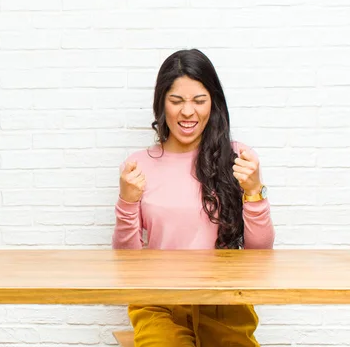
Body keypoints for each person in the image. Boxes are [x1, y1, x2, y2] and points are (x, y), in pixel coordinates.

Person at [112, 49, 275, 347]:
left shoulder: (236, 157)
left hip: (225, 302)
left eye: (199, 101)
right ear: (161, 104)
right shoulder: (139, 165)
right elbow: (127, 261)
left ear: (213, 104)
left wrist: (254, 192)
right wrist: (126, 202)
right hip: (158, 302)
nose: (188, 112)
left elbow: (259, 254)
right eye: (176, 101)